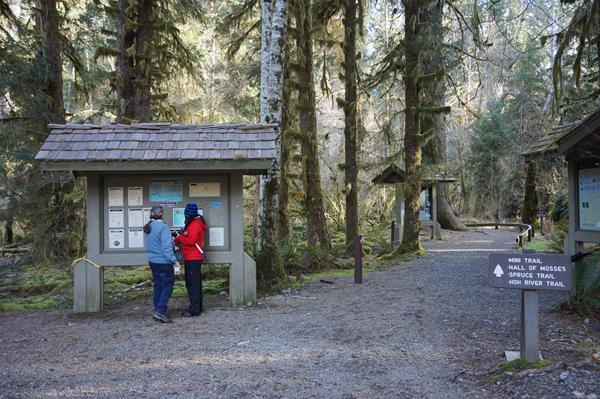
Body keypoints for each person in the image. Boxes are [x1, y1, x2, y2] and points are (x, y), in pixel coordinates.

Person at [143, 205, 179, 323]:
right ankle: (160, 311)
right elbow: (167, 248)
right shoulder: (163, 227)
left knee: (158, 285)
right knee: (168, 285)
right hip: (164, 262)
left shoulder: (148, 227)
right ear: (162, 214)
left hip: (153, 261)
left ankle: (157, 308)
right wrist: (174, 261)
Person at [174, 203, 207, 317]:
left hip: (192, 258)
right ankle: (198, 306)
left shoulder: (195, 224)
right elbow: (190, 237)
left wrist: (179, 238)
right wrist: (183, 235)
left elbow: (191, 241)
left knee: (192, 284)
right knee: (195, 283)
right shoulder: (197, 223)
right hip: (193, 257)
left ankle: (194, 309)